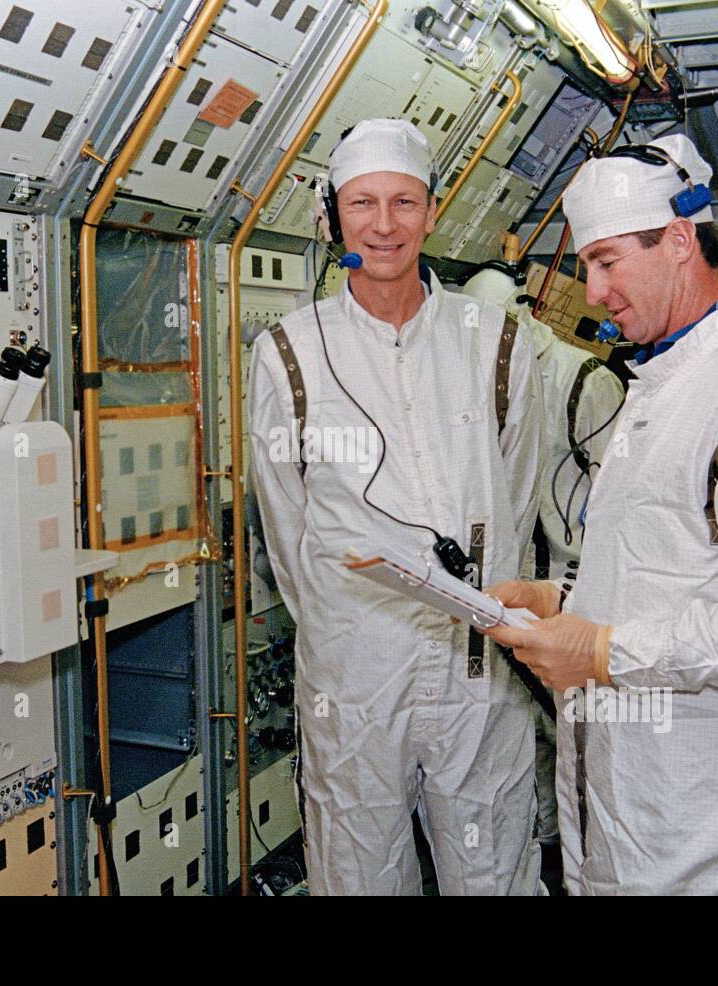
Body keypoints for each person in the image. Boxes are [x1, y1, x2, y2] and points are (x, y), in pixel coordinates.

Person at [481, 134, 718, 895]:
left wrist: (603, 651)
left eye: (607, 261)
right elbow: (674, 574)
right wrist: (563, 604)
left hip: (709, 842)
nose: (590, 292)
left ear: (680, 240)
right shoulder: (662, 387)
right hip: (632, 817)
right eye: (587, 263)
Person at [249, 118, 545, 894]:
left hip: (475, 665)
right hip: (355, 672)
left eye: (404, 202)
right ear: (331, 214)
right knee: (359, 869)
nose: (384, 226)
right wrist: (343, 627)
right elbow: (288, 527)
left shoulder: (499, 342)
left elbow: (514, 495)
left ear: (433, 212)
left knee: (492, 866)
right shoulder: (288, 351)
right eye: (363, 203)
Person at [460, 261, 623, 862]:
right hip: (521, 584)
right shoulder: (490, 381)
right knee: (531, 727)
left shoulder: (586, 381)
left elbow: (615, 497)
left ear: (526, 315)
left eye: (499, 325)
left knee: (575, 729)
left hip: (574, 585)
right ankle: (549, 846)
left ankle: (585, 849)